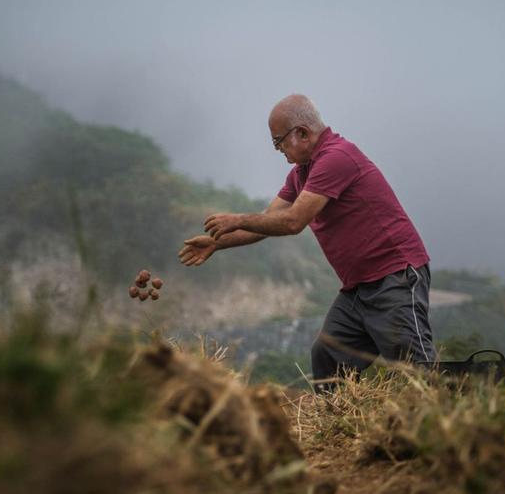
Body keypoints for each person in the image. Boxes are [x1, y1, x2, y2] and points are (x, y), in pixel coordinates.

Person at [178, 94, 436, 391]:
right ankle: (336, 430)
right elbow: (268, 222)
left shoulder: (336, 157)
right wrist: (217, 243)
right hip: (359, 289)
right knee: (328, 357)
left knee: (415, 368)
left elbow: (292, 222)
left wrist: (237, 219)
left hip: (395, 276)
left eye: (278, 142)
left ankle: (438, 428)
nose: (279, 151)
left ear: (301, 132)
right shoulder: (301, 173)